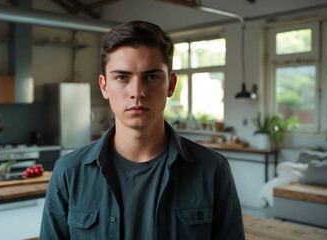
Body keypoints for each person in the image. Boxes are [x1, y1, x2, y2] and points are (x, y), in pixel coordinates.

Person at [40, 20, 245, 240]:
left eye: (151, 77)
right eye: (122, 77)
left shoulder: (212, 170)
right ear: (104, 86)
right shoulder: (68, 173)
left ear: (171, 85)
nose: (137, 92)